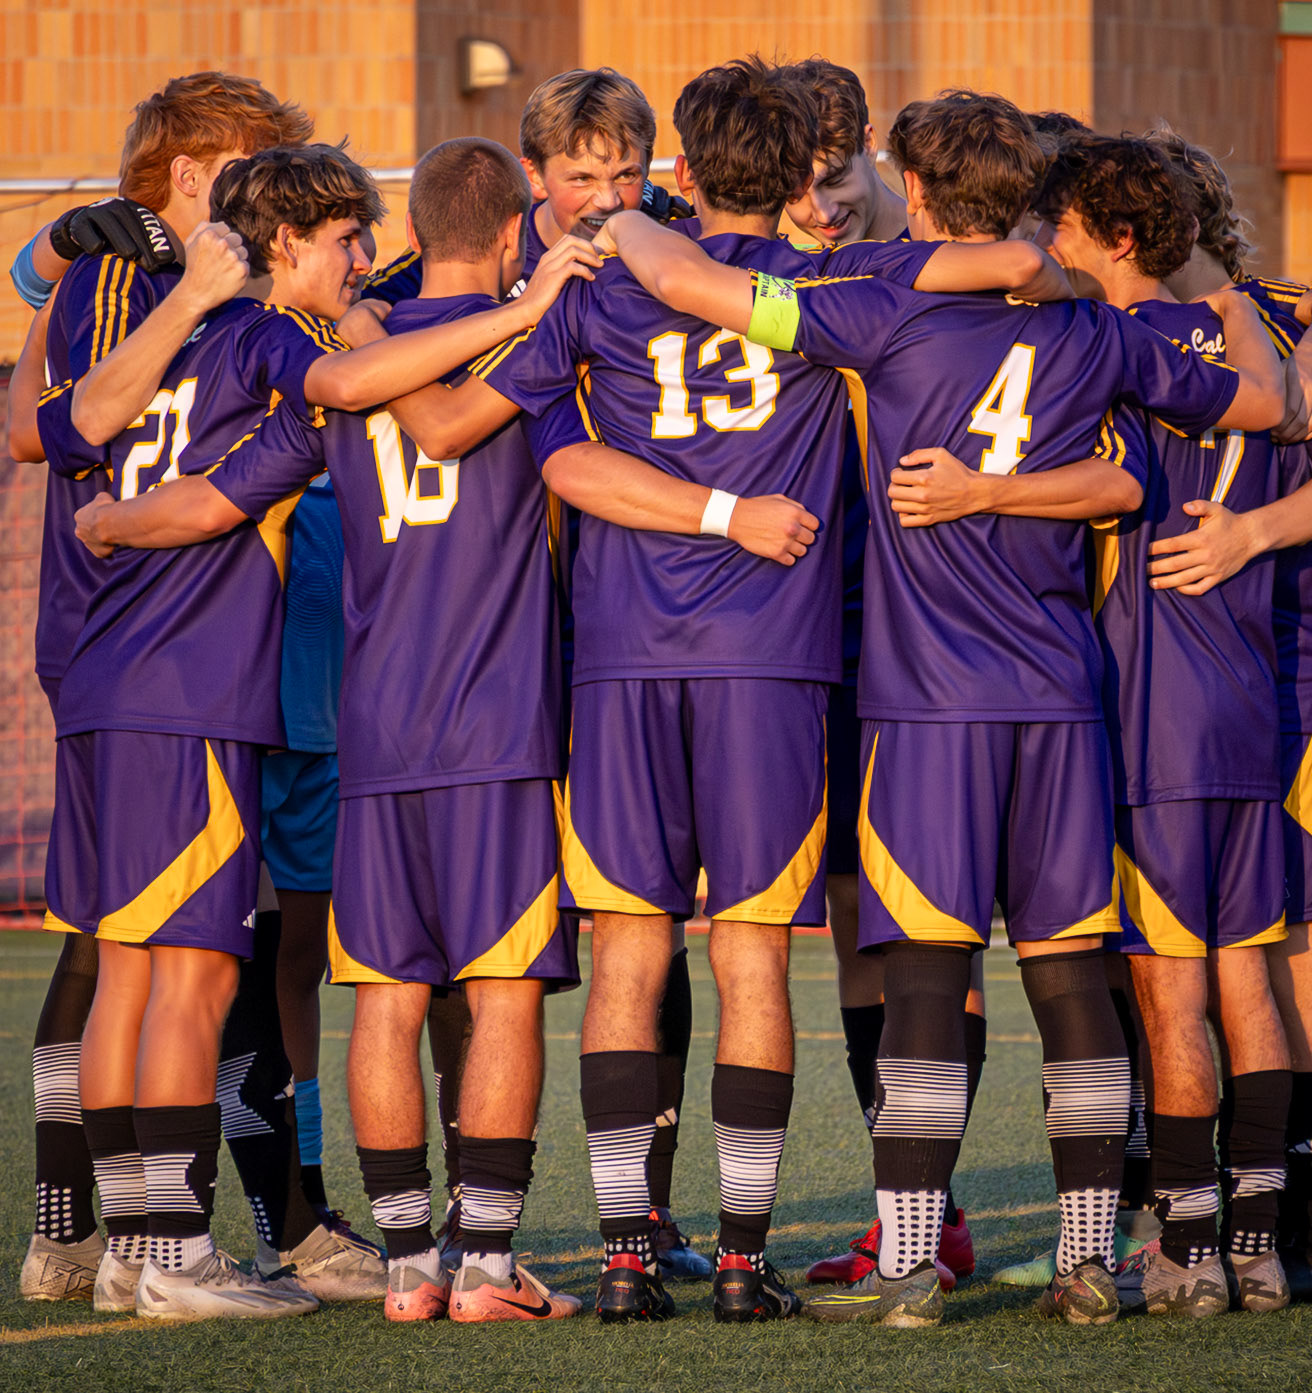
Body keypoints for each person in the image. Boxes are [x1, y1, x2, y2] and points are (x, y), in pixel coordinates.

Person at [596, 87, 1283, 1328]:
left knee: (921, 984)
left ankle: (912, 1261)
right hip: (1063, 700)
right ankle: (1092, 1259)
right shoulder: (1097, 333)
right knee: (1073, 982)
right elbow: (1254, 409)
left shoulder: (880, 309)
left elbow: (714, 295)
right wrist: (1227, 306)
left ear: (914, 195)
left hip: (922, 710)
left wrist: (631, 225)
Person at [34, 141, 599, 1322]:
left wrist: (113, 526)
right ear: (285, 245)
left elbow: (129, 454)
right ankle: (203, 1252)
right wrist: (531, 302)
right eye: (344, 241)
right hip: (238, 698)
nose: (360, 265)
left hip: (166, 686)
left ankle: (143, 1242)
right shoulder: (288, 345)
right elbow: (396, 407)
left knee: (140, 977)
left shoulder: (178, 335)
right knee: (204, 979)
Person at [364, 67, 708, 1283]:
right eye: (579, 178)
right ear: (530, 194)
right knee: (481, 970)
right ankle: (476, 1235)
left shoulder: (682, 267)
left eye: (626, 174)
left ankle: (634, 1211)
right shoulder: (452, 301)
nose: (605, 197)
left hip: (621, 652)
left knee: (641, 937)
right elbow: (395, 379)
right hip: (505, 671)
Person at [9, 70, 314, 1306]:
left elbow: (42, 418)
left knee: (124, 963)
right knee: (181, 964)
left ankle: (118, 1242)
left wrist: (48, 259)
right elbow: (53, 424)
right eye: (246, 174)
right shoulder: (192, 301)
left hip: (106, 662)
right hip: (175, 664)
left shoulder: (108, 288)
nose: (264, 207)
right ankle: (158, 1244)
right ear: (190, 178)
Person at [1037, 132, 1295, 1317]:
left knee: (1170, 993)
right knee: (1249, 985)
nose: (1050, 245)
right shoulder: (1252, 345)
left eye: (1068, 227)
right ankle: (1259, 1243)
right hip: (1248, 704)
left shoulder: (1109, 347)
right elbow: (1303, 420)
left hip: (1151, 717)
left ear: (1119, 239)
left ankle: (1182, 1247)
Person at [1146, 129, 1312, 1303]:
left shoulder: (1272, 318)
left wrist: (1246, 533)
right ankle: (1241, 1216)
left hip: (1300, 675)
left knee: (1302, 956)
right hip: (1182, 693)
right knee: (1209, 962)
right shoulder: (1121, 328)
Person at [781, 56, 977, 1296]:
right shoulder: (749, 284)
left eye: (840, 167)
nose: (826, 196)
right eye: (802, 175)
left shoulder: (916, 281)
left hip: (932, 656)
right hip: (811, 659)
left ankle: (1124, 1201)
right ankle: (913, 1212)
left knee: (939, 935)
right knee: (861, 926)